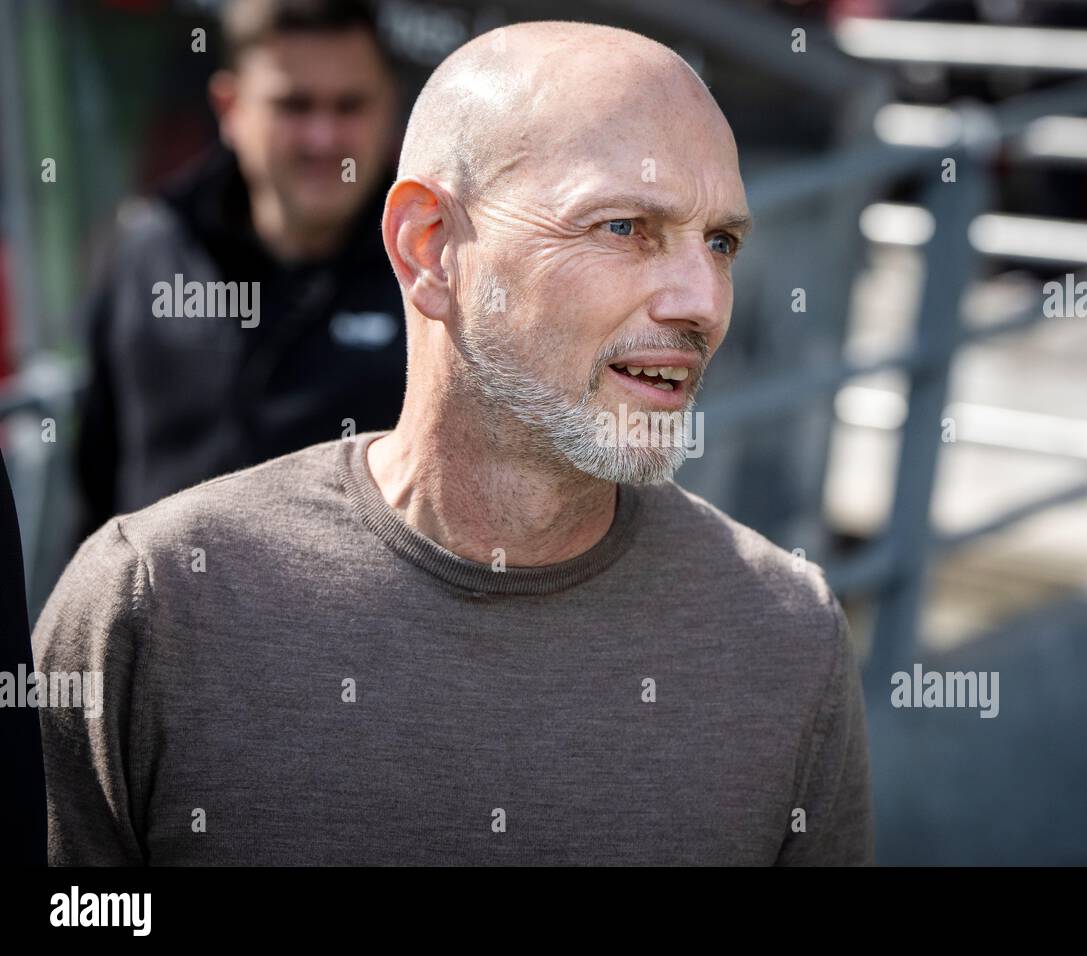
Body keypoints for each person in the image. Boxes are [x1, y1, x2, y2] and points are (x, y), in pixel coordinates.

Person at [34, 20, 872, 865]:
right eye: (624, 227)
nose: (704, 301)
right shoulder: (149, 604)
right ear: (430, 249)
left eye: (720, 242)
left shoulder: (788, 637)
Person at [73, 0, 403, 539]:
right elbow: (95, 479)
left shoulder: (433, 268)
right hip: (160, 615)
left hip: (363, 619)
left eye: (350, 106)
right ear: (230, 108)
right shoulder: (150, 249)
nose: (324, 139)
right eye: (294, 106)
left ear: (387, 107)